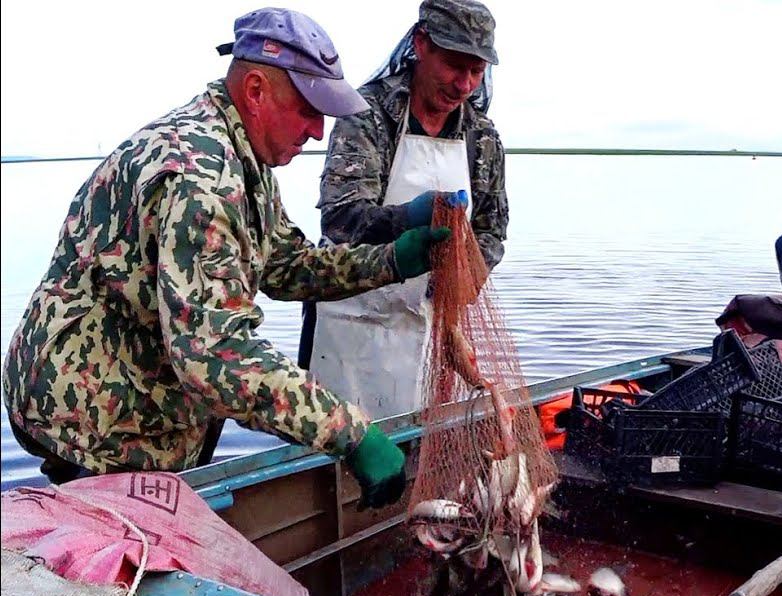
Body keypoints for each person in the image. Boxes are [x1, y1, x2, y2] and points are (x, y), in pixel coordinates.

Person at [2, 8, 457, 510]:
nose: (317, 130)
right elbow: (216, 354)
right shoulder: (202, 177)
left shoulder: (247, 159)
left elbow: (286, 264)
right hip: (92, 416)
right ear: (257, 90)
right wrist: (350, 433)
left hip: (136, 397)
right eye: (308, 108)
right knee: (120, 567)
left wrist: (393, 259)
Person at [299, 0, 508, 420]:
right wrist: (410, 217)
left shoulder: (481, 136)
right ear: (421, 45)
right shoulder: (368, 115)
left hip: (427, 326)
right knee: (341, 452)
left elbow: (491, 230)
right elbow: (341, 219)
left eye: (476, 71)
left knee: (418, 450)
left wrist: (458, 284)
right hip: (349, 324)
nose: (464, 84)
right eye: (454, 64)